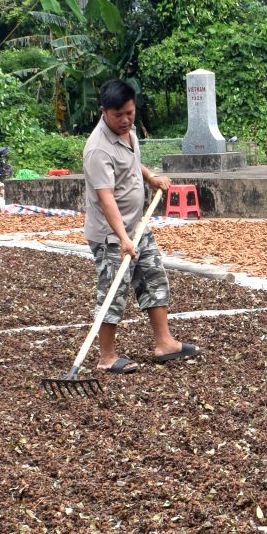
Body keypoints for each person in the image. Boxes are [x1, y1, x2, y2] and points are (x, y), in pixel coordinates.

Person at [82, 79, 198, 373]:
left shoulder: (128, 132)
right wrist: (123, 239)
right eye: (118, 114)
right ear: (104, 112)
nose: (125, 120)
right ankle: (107, 357)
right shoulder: (97, 150)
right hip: (112, 235)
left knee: (153, 278)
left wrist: (150, 178)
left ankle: (165, 343)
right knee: (113, 291)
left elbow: (131, 162)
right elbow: (106, 198)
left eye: (130, 113)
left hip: (138, 226)